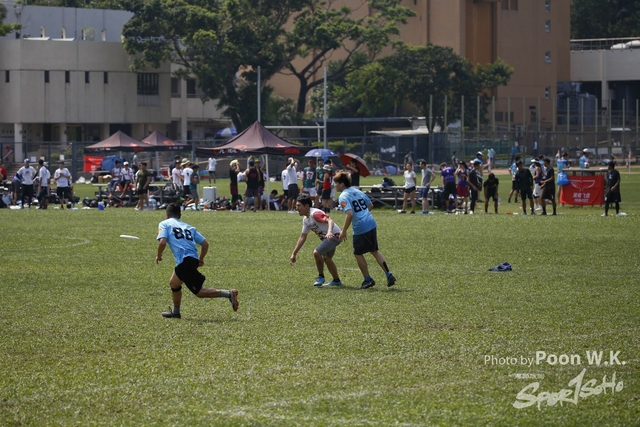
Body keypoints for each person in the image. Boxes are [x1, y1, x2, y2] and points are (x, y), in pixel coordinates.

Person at [156, 203, 239, 318]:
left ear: (167, 215)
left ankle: (229, 294)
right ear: (180, 215)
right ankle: (176, 312)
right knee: (174, 283)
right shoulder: (189, 227)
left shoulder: (164, 224)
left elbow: (162, 242)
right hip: (190, 260)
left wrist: (158, 255)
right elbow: (205, 244)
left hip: (185, 261)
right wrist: (200, 259)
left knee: (199, 292)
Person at [334, 171, 396, 289]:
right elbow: (370, 205)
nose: (334, 185)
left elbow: (349, 214)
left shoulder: (343, 196)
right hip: (371, 222)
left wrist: (344, 230)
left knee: (358, 253)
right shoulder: (357, 191)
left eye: (336, 183)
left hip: (360, 227)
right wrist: (364, 214)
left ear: (342, 184)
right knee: (374, 250)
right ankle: (389, 274)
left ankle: (368, 280)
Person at [290, 195, 343, 287]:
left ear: (307, 206)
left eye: (299, 206)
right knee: (327, 259)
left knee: (317, 253)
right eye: (296, 206)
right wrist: (294, 254)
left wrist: (329, 232)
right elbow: (303, 237)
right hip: (330, 238)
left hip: (334, 236)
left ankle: (321, 277)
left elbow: (330, 220)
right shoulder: (306, 219)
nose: (296, 208)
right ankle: (336, 280)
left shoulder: (315, 214)